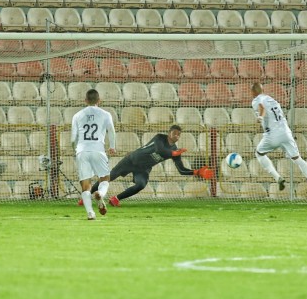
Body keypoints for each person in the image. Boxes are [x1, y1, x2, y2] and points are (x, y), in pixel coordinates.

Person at [80, 125, 215, 207]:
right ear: (169, 133)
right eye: (175, 133)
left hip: (143, 168)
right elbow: (160, 150)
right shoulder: (159, 138)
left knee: (141, 185)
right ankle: (85, 197)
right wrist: (174, 153)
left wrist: (196, 172)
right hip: (132, 160)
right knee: (109, 177)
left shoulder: (175, 151)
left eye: (179, 135)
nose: (177, 136)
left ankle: (116, 199)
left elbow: (181, 170)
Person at [251, 83, 307, 200]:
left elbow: (261, 108)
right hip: (286, 133)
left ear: (253, 92)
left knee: (259, 154)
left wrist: (260, 117)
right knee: (298, 159)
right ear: (263, 90)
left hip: (272, 135)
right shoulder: (273, 100)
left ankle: (277, 177)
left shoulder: (256, 100)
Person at [71, 89, 116, 220]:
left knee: (85, 185)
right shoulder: (106, 114)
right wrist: (112, 146)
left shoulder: (77, 115)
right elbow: (111, 131)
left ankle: (90, 213)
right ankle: (100, 193)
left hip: (82, 151)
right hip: (98, 150)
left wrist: (76, 149)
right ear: (99, 101)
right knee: (105, 178)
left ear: (85, 101)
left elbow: (73, 138)